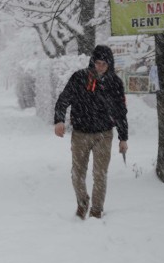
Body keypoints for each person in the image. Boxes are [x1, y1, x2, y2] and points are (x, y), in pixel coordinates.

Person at [54, 45, 128, 220]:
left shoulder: (115, 83)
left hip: (104, 134)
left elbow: (120, 112)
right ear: (92, 62)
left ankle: (96, 210)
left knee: (100, 174)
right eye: (98, 63)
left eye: (104, 63)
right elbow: (64, 99)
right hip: (80, 133)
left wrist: (123, 138)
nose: (100, 66)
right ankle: (82, 203)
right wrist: (59, 120)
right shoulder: (79, 78)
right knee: (77, 173)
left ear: (110, 64)